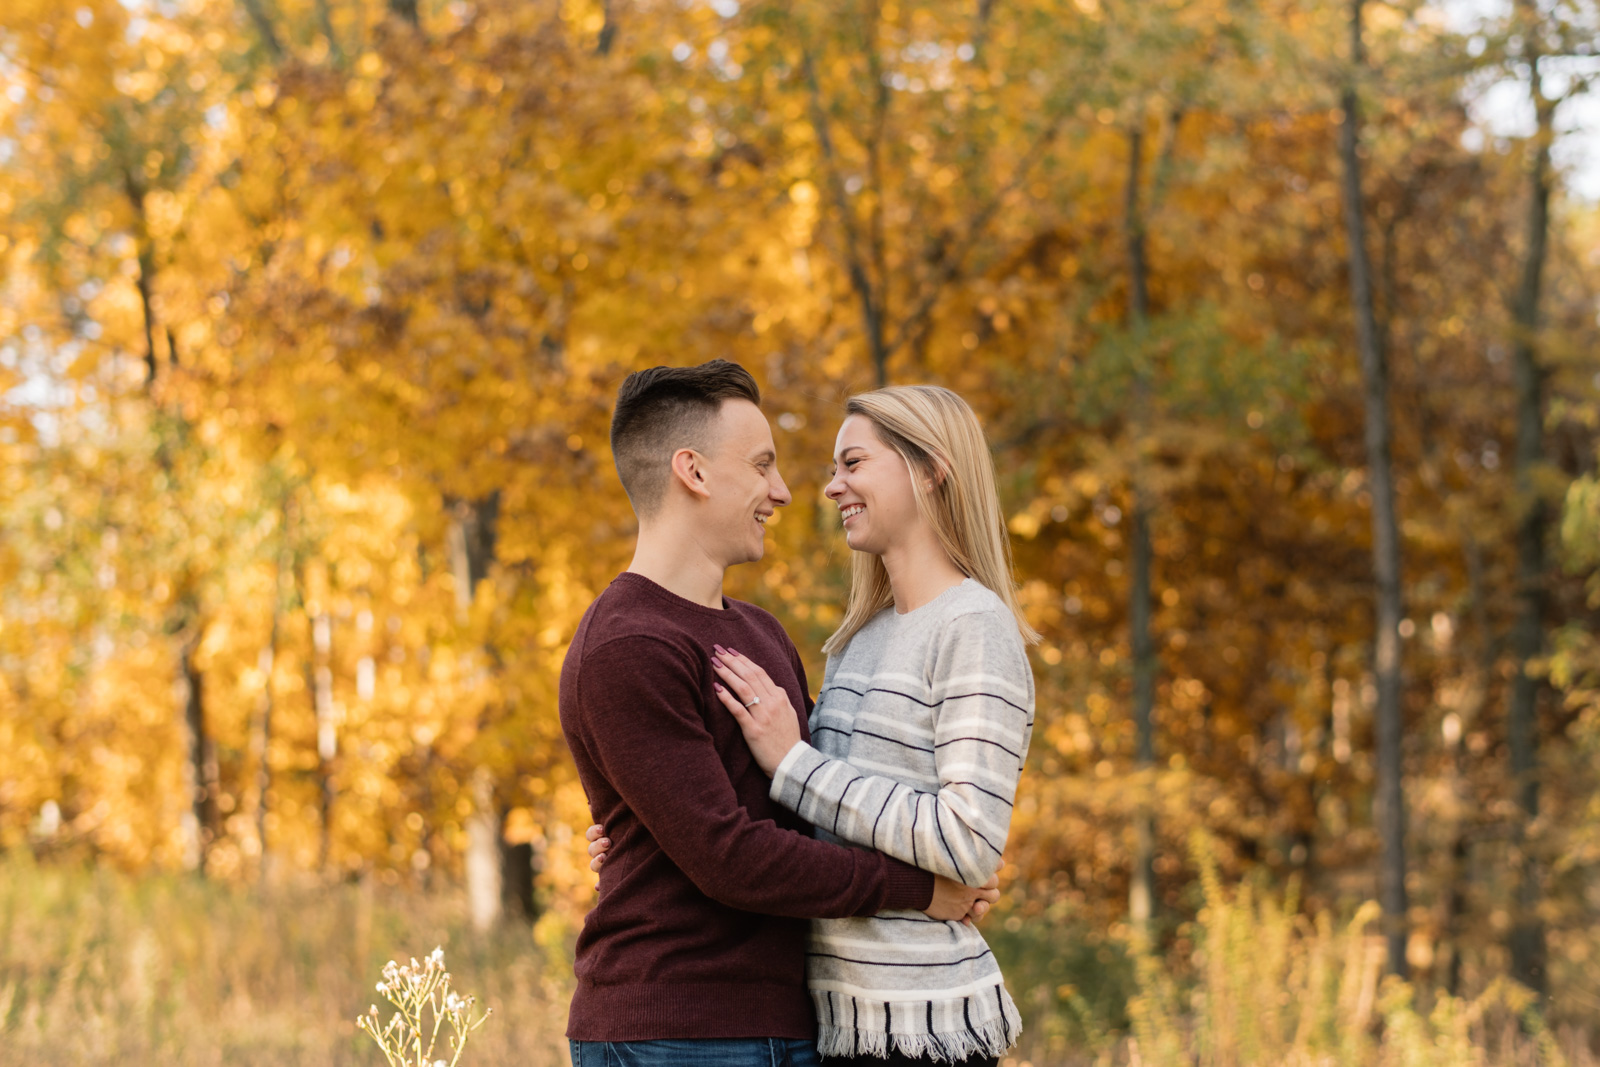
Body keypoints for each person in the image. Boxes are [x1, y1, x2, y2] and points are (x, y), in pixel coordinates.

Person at [560, 361, 998, 1067]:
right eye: (763, 465)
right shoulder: (627, 643)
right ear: (693, 471)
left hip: (793, 1020)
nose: (784, 491)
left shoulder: (761, 634)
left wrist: (950, 848)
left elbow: (819, 797)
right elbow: (729, 857)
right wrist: (924, 889)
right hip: (672, 1031)